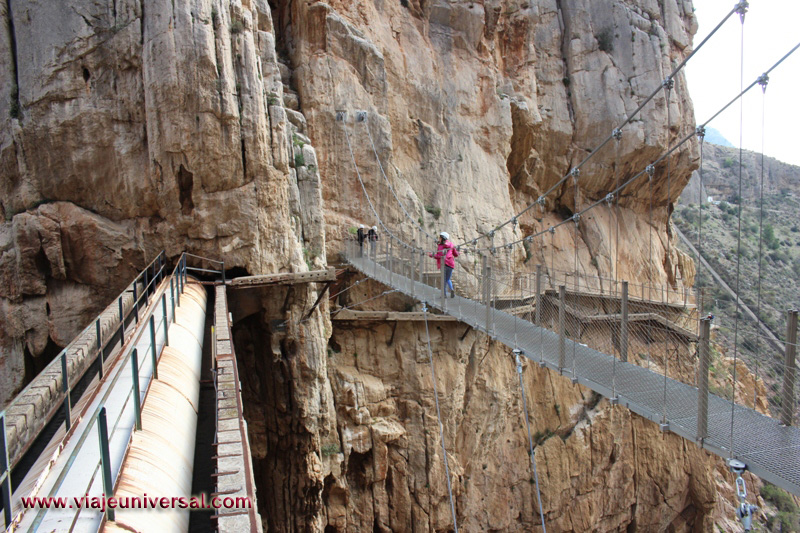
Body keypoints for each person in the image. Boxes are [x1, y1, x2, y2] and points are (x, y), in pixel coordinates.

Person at [429, 231, 459, 297]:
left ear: (442, 238)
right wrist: (459, 252)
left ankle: (444, 295)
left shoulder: (441, 246)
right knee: (447, 279)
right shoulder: (451, 245)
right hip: (451, 265)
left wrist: (432, 255)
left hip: (444, 264)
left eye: (440, 237)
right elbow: (456, 254)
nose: (439, 239)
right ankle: (451, 289)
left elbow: (439, 256)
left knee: (443, 280)